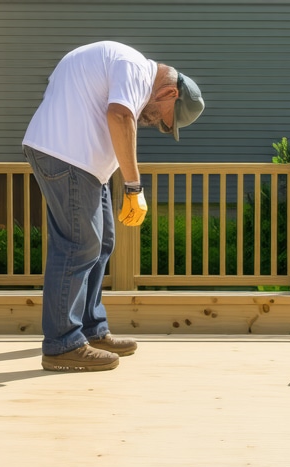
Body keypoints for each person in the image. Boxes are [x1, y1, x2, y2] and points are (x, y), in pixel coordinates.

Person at [23, 41, 204, 372]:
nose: (160, 126)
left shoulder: (124, 65)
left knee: (102, 241)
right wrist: (134, 186)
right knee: (78, 245)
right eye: (166, 121)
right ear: (169, 95)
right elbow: (120, 116)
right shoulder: (135, 68)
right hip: (68, 157)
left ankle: (90, 330)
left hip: (82, 163)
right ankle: (62, 343)